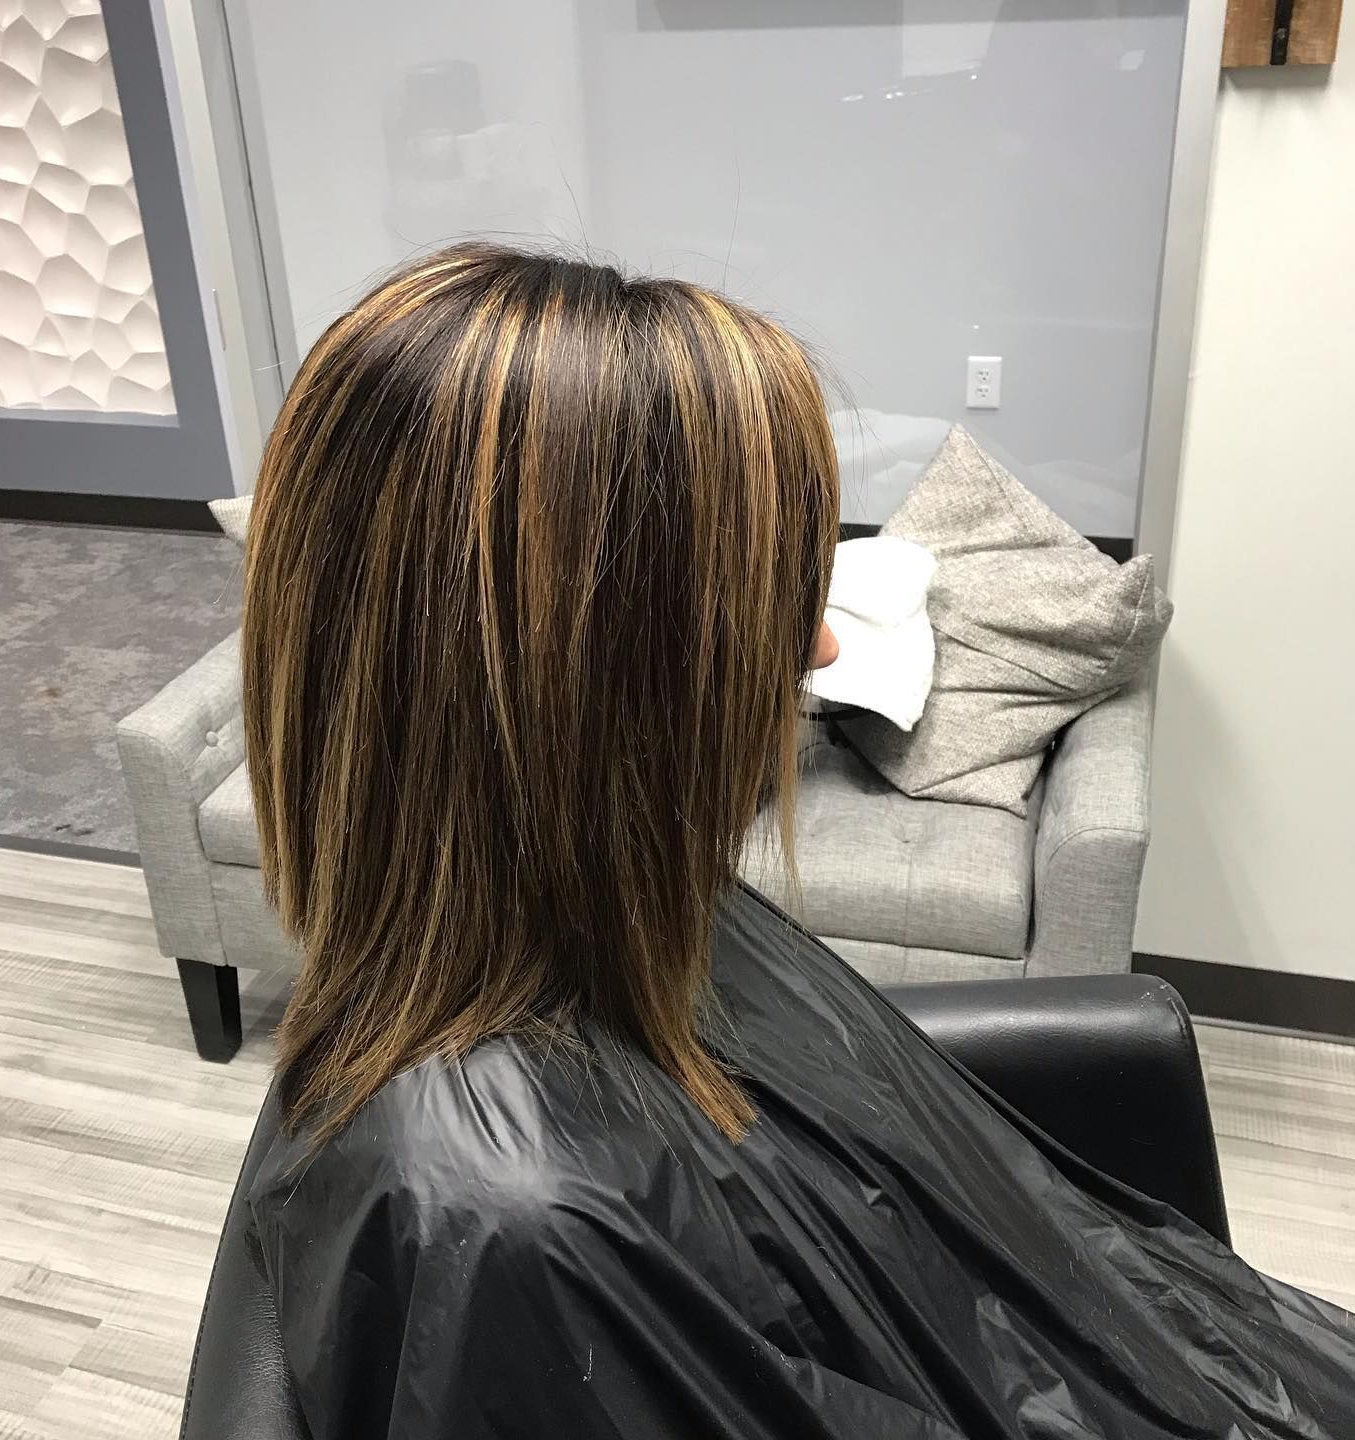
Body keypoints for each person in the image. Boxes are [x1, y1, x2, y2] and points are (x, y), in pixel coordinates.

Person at [242, 244, 1354, 1439]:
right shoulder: (529, 1247)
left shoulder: (638, 917)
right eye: (767, 601)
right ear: (598, 685)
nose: (820, 649)